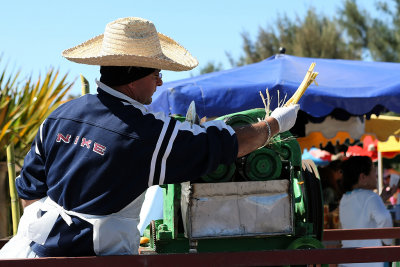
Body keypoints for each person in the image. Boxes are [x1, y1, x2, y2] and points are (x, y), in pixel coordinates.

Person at [0, 17, 299, 258]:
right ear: (132, 75)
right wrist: (274, 125)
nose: (160, 80)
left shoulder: (60, 115)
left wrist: (55, 238)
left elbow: (29, 190)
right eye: (155, 72)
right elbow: (222, 146)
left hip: (31, 251)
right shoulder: (144, 132)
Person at [339, 156, 396, 267]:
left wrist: (382, 199)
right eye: (373, 172)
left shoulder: (345, 198)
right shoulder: (371, 197)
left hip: (347, 261)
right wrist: (387, 241)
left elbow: (361, 211)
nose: (376, 176)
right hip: (369, 261)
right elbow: (384, 218)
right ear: (363, 177)